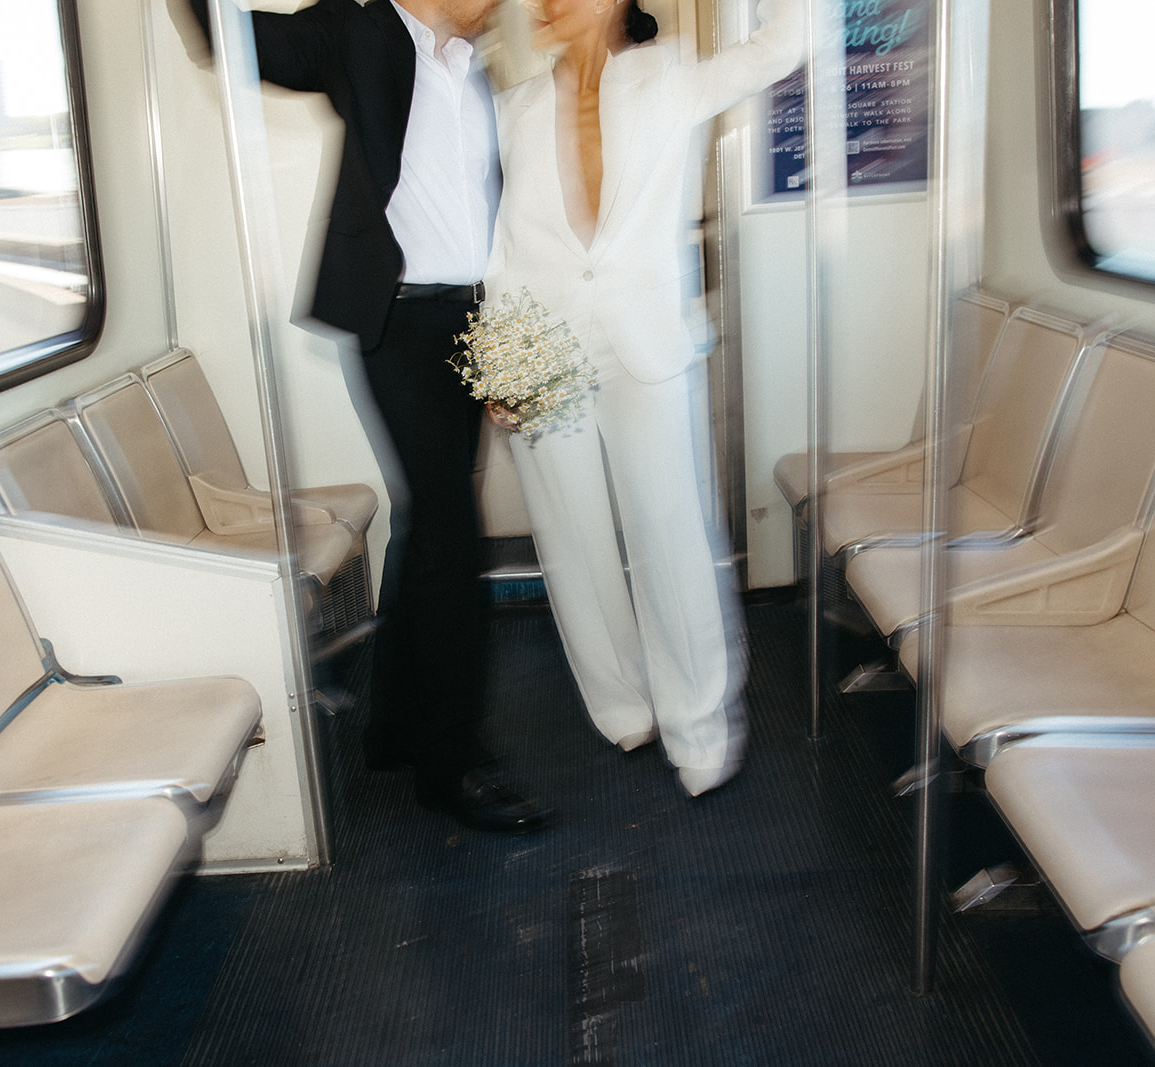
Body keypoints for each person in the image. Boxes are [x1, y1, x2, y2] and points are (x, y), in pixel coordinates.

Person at [187, 0, 549, 832]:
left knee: (430, 520)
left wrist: (518, 352)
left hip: (479, 317)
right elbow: (235, 35)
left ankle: (393, 729)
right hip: (403, 321)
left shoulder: (480, 69)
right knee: (454, 533)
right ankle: (451, 764)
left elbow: (493, 215)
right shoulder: (359, 30)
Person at [483, 0, 804, 795]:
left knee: (671, 531)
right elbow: (505, 248)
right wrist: (500, 363)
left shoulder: (670, 82)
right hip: (542, 345)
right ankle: (622, 702)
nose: (549, 5)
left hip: (646, 343)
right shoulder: (512, 109)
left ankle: (699, 724)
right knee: (573, 534)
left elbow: (789, 41)